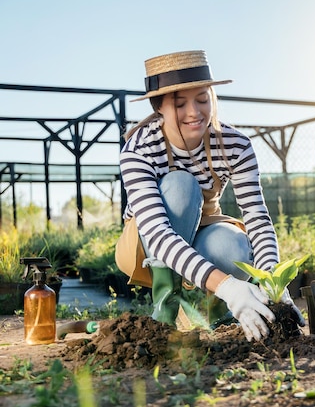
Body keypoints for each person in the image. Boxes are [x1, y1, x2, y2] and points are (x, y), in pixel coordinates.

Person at [116, 50, 304, 341]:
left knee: (235, 247)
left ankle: (213, 315)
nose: (194, 112)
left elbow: (257, 216)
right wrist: (228, 286)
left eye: (203, 99)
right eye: (180, 104)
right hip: (144, 245)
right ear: (159, 107)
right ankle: (166, 310)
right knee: (181, 185)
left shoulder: (236, 145)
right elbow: (156, 233)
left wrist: (273, 285)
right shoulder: (138, 150)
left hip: (204, 229)